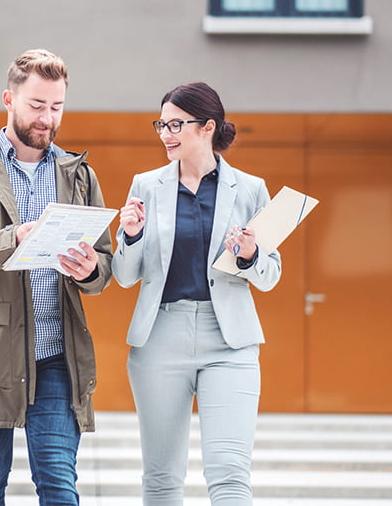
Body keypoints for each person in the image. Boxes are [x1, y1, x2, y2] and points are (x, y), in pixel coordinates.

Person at [0, 48, 113, 506]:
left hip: (56, 357)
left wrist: (91, 269)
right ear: (8, 99)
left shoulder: (80, 174)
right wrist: (12, 240)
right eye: (36, 105)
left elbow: (104, 263)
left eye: (57, 107)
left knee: (59, 489)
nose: (47, 118)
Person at [111, 82, 282, 505]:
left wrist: (249, 253)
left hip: (230, 343)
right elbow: (124, 275)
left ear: (208, 127)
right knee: (162, 477)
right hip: (159, 338)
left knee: (229, 474)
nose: (166, 134)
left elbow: (270, 275)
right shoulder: (145, 185)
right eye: (161, 124)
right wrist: (131, 236)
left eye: (175, 124)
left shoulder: (251, 188)